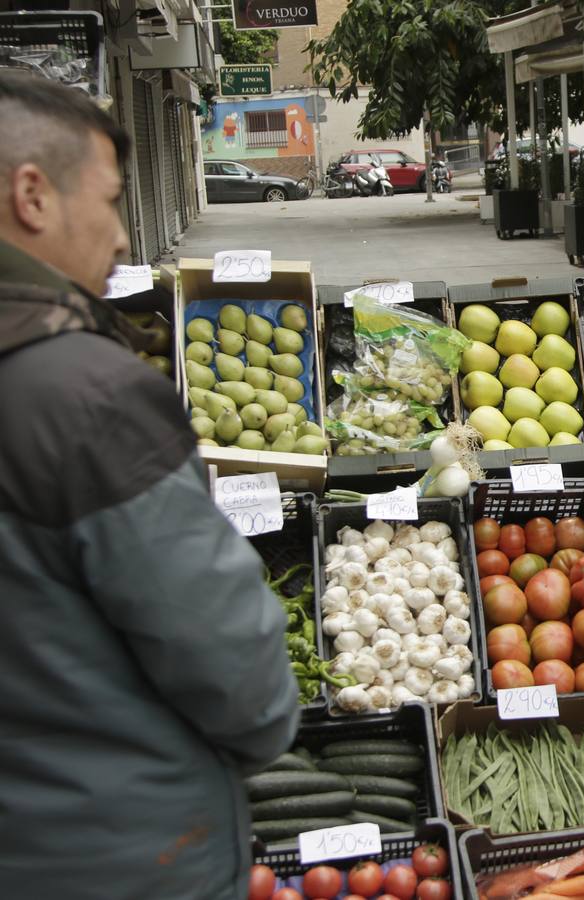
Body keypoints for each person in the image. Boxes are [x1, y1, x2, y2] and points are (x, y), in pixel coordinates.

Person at [0, 71, 300, 898]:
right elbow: (241, 680)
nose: (125, 237)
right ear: (33, 195)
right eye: (109, 201)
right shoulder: (86, 396)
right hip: (113, 857)